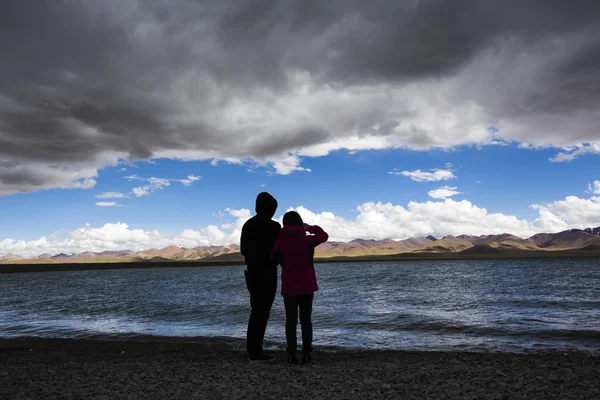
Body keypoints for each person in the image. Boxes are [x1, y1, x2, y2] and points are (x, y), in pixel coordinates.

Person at [270, 211, 329, 364]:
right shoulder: (307, 240)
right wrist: (310, 227)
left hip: (289, 287)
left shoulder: (280, 242)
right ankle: (307, 354)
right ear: (300, 223)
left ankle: (291, 355)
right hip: (307, 286)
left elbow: (272, 258)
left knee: (291, 321)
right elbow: (324, 236)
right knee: (306, 321)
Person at [240, 192, 281, 361]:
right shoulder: (274, 227)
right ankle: (256, 352)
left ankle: (253, 348)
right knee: (262, 312)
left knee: (257, 310)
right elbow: (279, 251)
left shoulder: (248, 224)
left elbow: (243, 250)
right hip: (267, 273)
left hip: (253, 273)